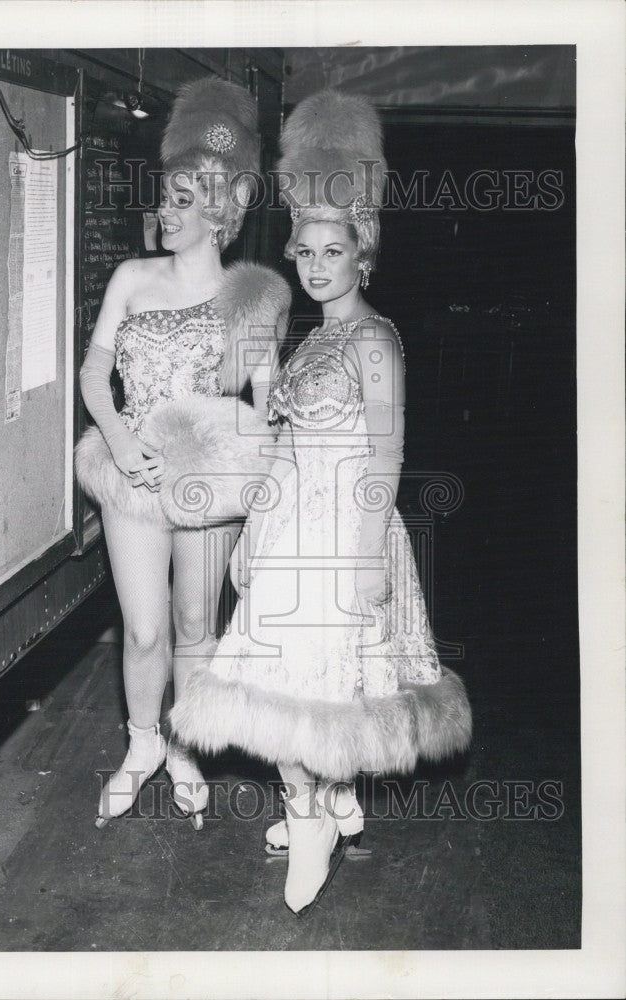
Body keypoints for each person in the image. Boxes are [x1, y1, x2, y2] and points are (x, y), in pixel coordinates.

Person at [171, 90, 472, 912]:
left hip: (343, 535)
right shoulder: (313, 338)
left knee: (316, 691)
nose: (311, 264)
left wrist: (365, 560)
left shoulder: (375, 340)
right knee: (275, 687)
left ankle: (312, 817)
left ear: (360, 257)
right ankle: (324, 803)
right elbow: (285, 434)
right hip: (290, 526)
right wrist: (256, 511)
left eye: (328, 253)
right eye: (302, 251)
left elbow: (386, 454)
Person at [76, 77, 290, 830]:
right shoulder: (132, 278)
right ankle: (140, 746)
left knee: (197, 626)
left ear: (217, 212)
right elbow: (93, 374)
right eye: (164, 200)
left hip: (207, 477)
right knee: (143, 629)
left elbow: (266, 402)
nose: (164, 214)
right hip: (131, 473)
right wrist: (119, 438)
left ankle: (186, 748)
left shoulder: (252, 294)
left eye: (179, 203)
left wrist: (259, 462)